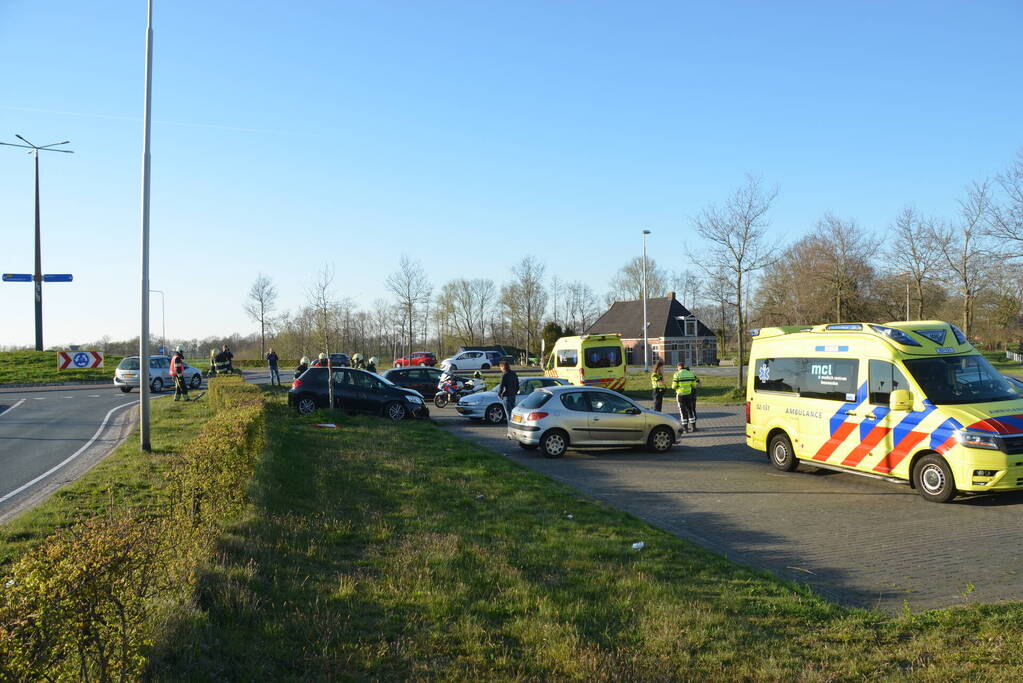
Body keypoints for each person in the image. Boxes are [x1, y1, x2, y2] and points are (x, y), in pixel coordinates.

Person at [672, 361, 700, 432]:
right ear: (683, 366)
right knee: (690, 410)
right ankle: (694, 427)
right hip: (688, 394)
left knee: (682, 411)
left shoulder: (677, 374)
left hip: (680, 395)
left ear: (678, 367)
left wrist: (678, 386)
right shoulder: (690, 374)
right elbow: (694, 385)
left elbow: (673, 386)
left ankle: (685, 428)